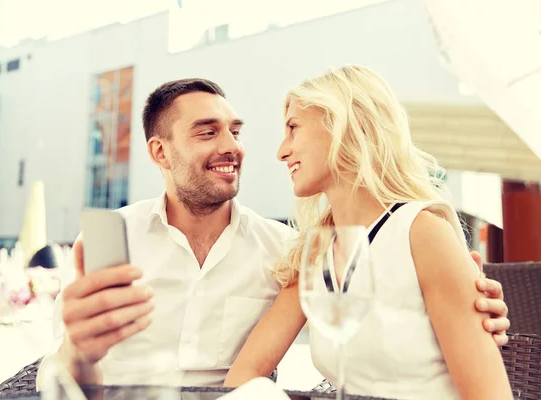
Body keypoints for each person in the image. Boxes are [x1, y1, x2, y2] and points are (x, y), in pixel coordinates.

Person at [37, 78, 510, 389]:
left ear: (345, 131)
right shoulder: (307, 253)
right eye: (207, 133)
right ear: (160, 153)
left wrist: (477, 309)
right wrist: (78, 349)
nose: (239, 148)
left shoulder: (290, 249)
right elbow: (64, 376)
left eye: (236, 132)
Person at [223, 66, 513, 399]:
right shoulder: (317, 252)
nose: (281, 151)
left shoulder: (421, 233)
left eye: (293, 128)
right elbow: (244, 376)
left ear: (343, 127)